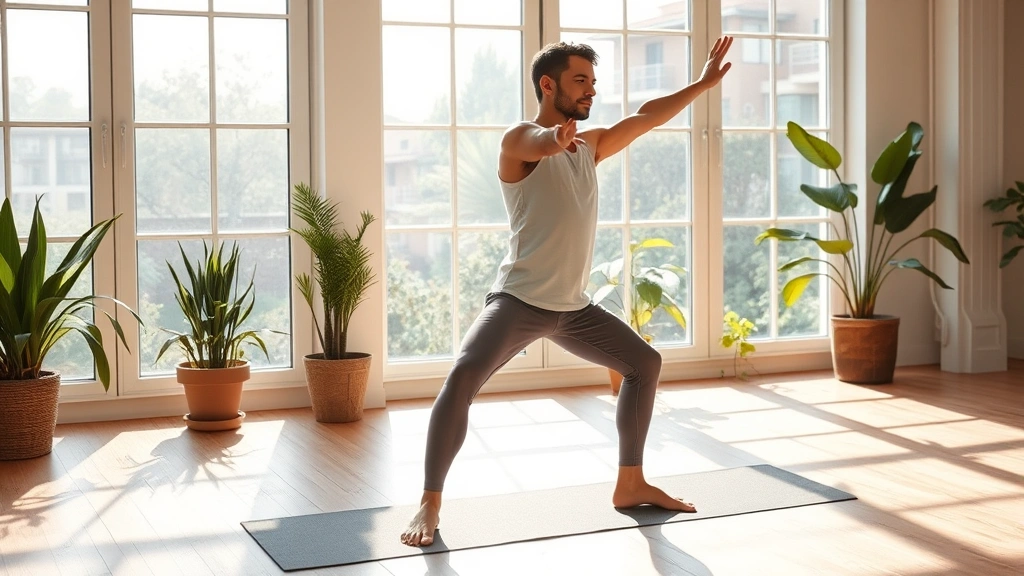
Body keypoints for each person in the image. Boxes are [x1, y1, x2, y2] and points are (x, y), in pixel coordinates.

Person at [401, 36, 734, 547]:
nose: (591, 91)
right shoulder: (520, 140)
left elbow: (646, 117)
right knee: (464, 375)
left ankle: (630, 483)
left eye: (594, 83)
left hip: (573, 308)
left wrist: (703, 83)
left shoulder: (590, 145)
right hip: (519, 301)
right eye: (581, 80)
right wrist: (553, 141)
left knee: (643, 364)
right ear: (548, 83)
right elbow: (534, 144)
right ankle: (430, 501)